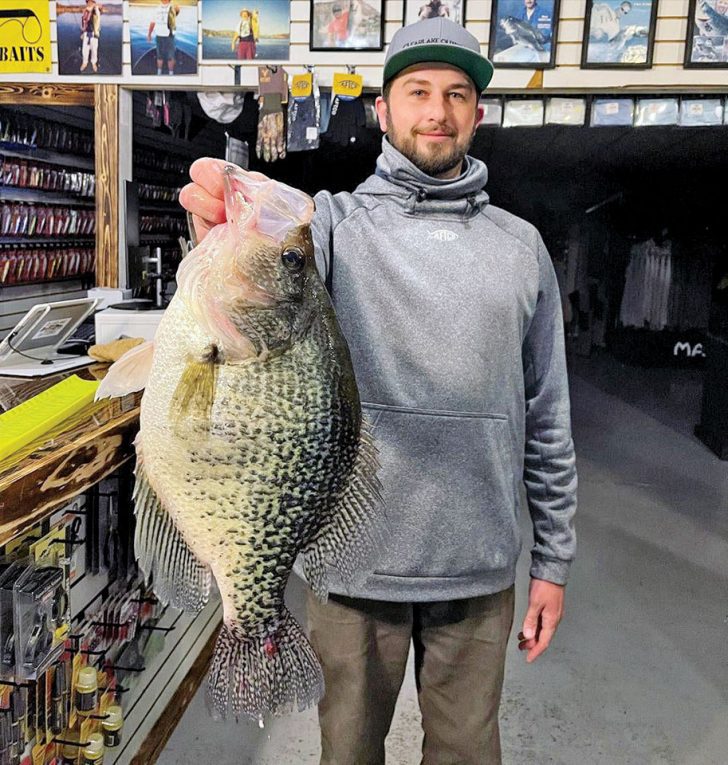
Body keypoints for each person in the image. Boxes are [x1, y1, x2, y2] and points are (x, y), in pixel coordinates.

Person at [180, 17, 577, 765]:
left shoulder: (521, 249)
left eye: (457, 94)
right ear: (383, 110)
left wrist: (553, 562)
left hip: (478, 563)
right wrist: (226, 214)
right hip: (353, 562)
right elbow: (269, 249)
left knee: (467, 753)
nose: (438, 110)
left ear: (478, 115)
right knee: (349, 753)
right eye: (418, 91)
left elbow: (548, 415)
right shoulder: (332, 225)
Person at [147, 0, 180, 76]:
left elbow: (177, 11)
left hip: (170, 36)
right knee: (159, 56)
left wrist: (176, 8)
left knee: (170, 56)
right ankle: (159, 72)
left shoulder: (172, 7)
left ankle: (171, 73)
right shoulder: (156, 9)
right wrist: (149, 34)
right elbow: (152, 22)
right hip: (159, 35)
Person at [79, 0, 101, 73]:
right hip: (86, 33)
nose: (90, 3)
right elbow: (83, 23)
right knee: (85, 49)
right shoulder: (85, 11)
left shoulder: (96, 11)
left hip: (94, 33)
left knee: (94, 49)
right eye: (88, 2)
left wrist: (96, 8)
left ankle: (93, 62)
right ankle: (85, 62)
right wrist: (82, 33)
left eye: (92, 2)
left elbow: (98, 16)